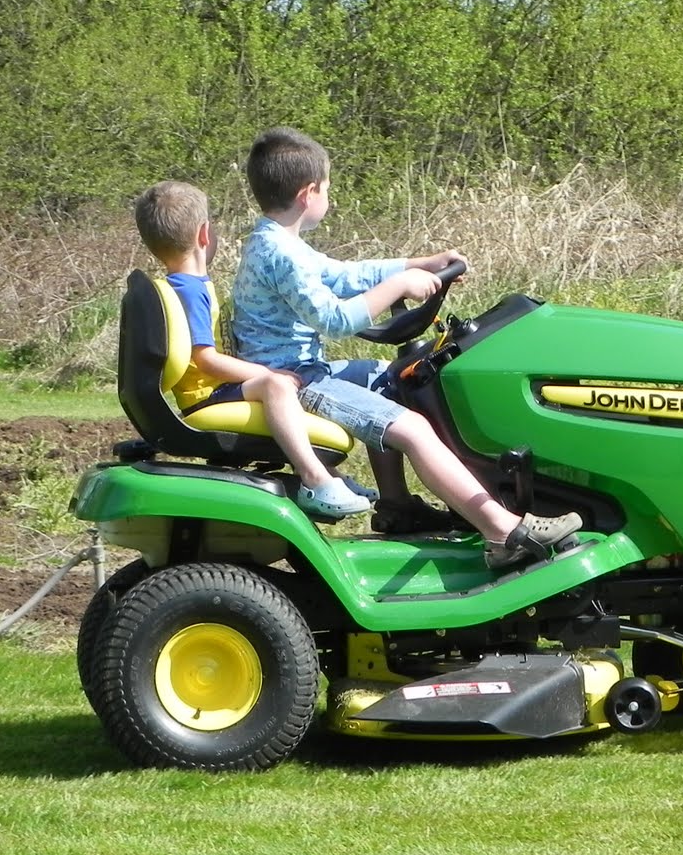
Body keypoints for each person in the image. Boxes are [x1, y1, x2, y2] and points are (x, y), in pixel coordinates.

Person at [231, 126, 582, 569]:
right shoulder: (280, 253)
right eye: (329, 188)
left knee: (396, 378)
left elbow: (344, 274)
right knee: (412, 427)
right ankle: (502, 530)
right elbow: (335, 320)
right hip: (295, 378)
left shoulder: (277, 241)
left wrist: (419, 264)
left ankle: (396, 507)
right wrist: (399, 285)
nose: (329, 195)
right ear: (309, 193)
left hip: (300, 366)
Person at [133, 180, 373, 519]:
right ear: (205, 234)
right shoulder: (190, 290)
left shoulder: (187, 284)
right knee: (277, 386)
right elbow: (207, 359)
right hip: (210, 395)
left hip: (213, 390)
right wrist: (267, 373)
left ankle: (335, 479)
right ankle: (317, 479)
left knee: (278, 383)